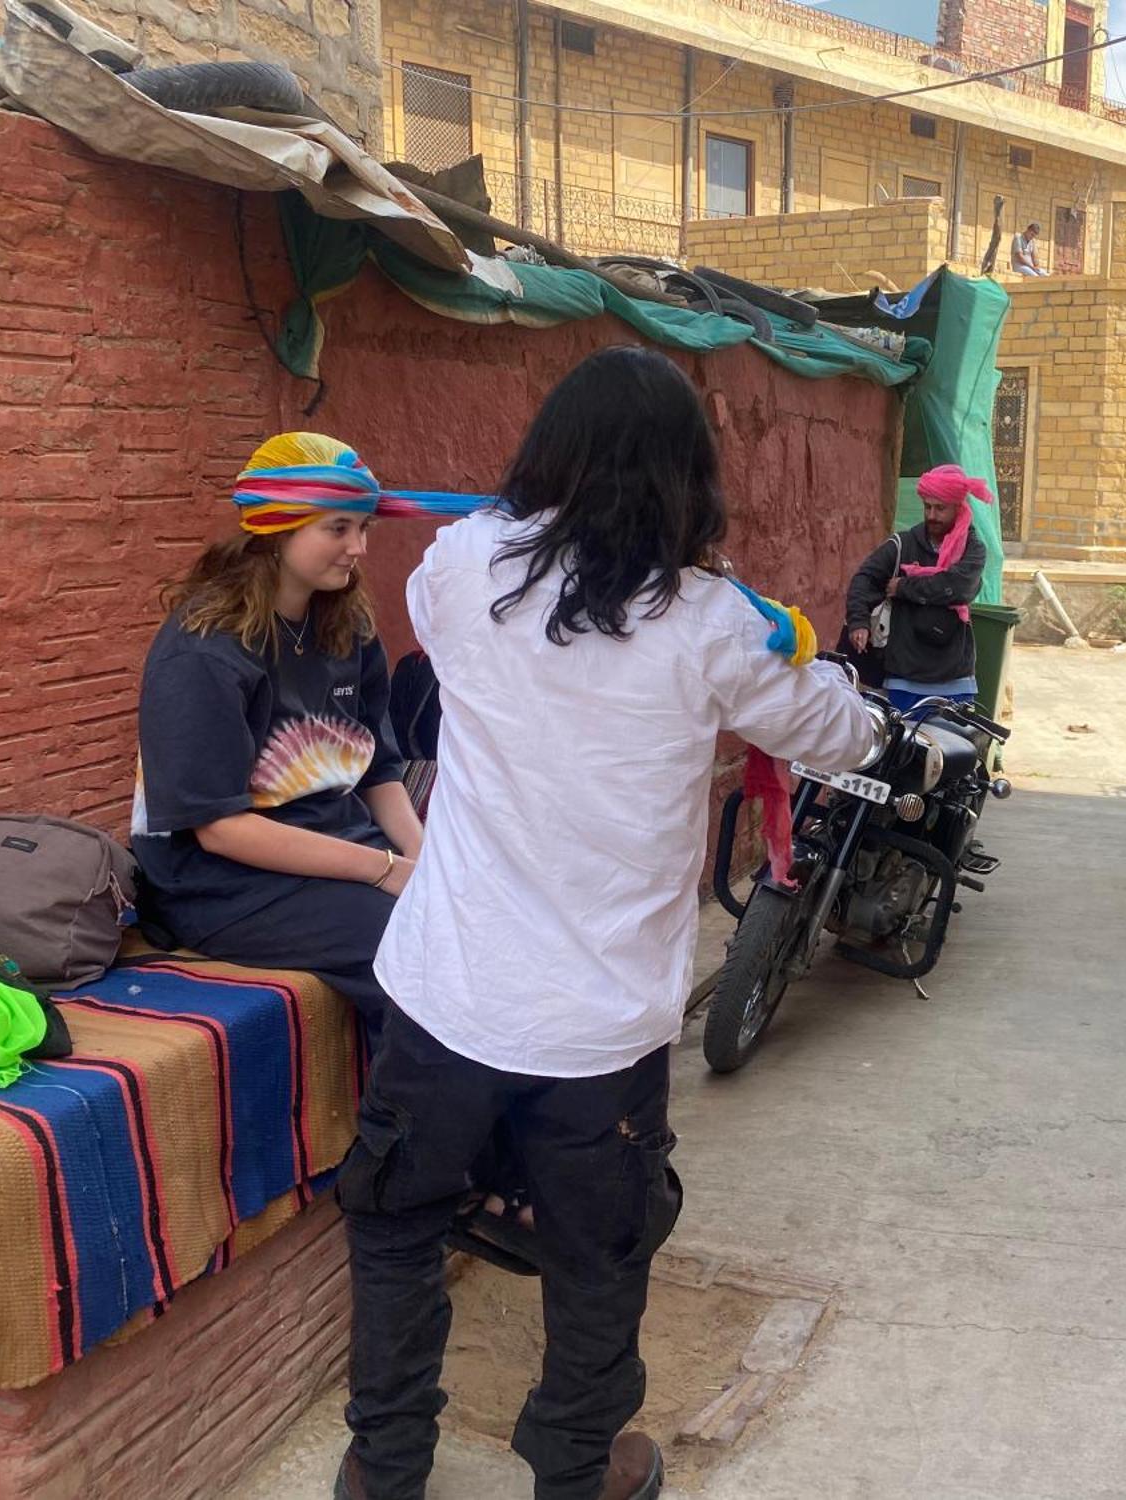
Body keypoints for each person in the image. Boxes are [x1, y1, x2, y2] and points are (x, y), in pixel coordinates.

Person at [336, 348, 880, 1500]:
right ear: (689, 481)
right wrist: (797, 647)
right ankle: (573, 1473)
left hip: (446, 998)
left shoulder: (464, 562)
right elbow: (843, 737)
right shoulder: (715, 628)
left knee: (395, 1234)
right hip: (595, 1034)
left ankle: (382, 1471)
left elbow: (449, 602)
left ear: (547, 457)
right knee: (596, 1266)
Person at [131, 432, 483, 1043]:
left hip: (340, 846)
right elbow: (219, 828)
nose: (359, 548)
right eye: (339, 529)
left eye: (364, 528)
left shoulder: (347, 624)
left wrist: (421, 857)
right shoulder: (203, 653)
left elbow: (377, 769)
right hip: (222, 884)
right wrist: (383, 871)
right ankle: (408, 1130)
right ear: (276, 529)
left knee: (479, 919)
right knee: (416, 953)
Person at [845, 465, 991, 712]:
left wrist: (904, 587)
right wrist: (858, 621)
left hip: (955, 679)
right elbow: (865, 579)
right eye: (928, 507)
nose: (932, 515)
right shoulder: (902, 545)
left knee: (955, 747)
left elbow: (957, 587)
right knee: (903, 749)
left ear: (958, 508)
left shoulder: (972, 549)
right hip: (905, 677)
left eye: (940, 508)